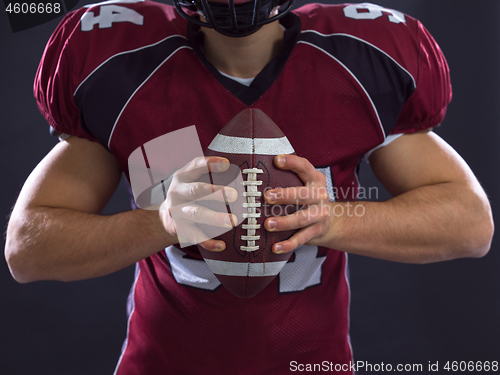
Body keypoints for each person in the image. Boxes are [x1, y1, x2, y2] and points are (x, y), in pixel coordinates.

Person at [4, 0, 494, 373]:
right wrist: (161, 222)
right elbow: (27, 249)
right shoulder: (125, 68)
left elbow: (471, 225)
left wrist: (336, 217)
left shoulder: (359, 63)